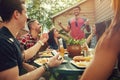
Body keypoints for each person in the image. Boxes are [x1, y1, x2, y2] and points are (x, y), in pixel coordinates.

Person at [0, 0, 63, 80]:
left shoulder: (10, 39)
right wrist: (47, 65)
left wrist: (41, 41)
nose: (27, 17)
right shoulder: (4, 42)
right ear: (16, 14)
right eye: (25, 12)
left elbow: (23, 55)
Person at [80, 0, 120, 80]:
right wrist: (91, 34)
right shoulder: (97, 37)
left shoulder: (113, 36)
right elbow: (84, 44)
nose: (111, 5)